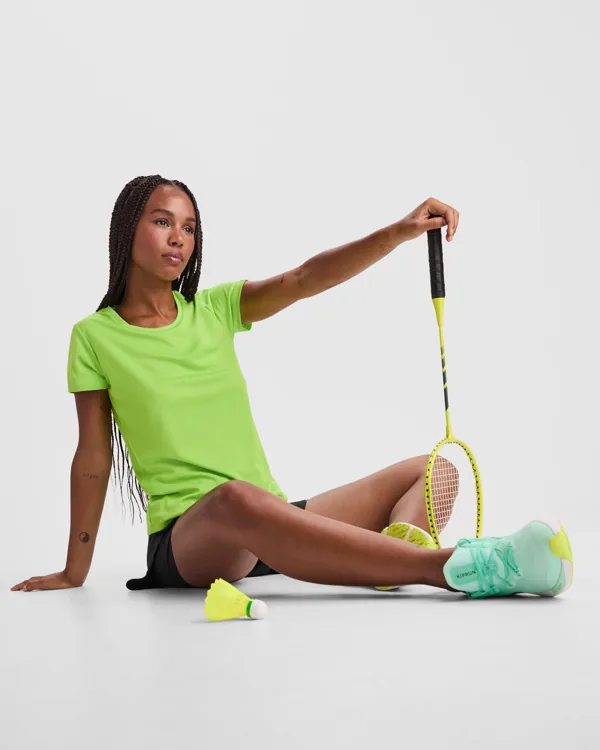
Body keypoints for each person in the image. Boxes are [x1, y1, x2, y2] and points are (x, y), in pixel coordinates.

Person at [11, 175, 573, 599]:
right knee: (235, 498)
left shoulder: (214, 309)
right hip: (194, 541)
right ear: (126, 228)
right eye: (162, 222)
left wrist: (400, 232)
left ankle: (386, 559)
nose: (178, 238)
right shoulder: (95, 336)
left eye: (189, 228)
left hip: (270, 522)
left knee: (435, 472)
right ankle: (454, 568)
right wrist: (74, 571)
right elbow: (93, 459)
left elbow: (304, 278)